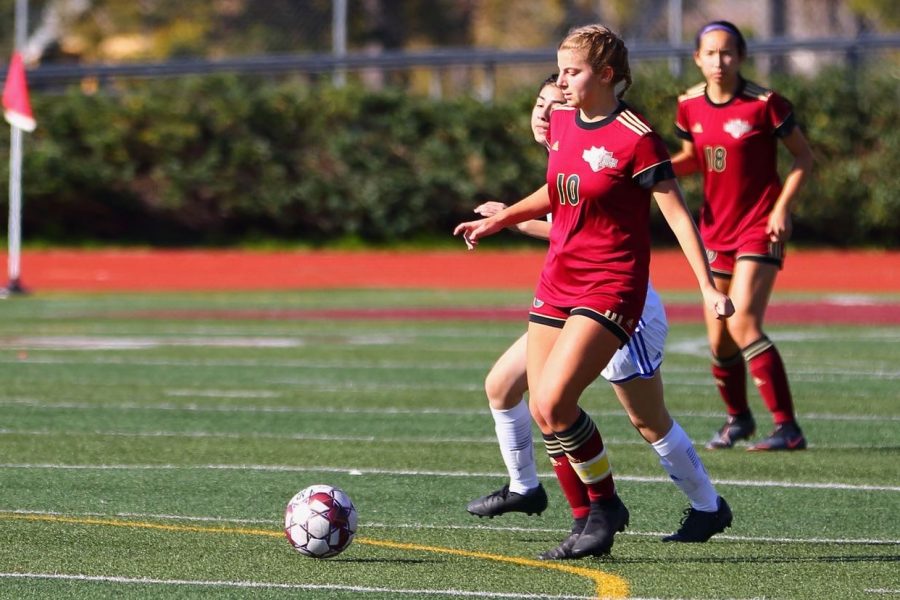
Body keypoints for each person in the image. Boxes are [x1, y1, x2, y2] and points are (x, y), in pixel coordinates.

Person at [454, 24, 733, 559]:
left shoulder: (636, 136)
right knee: (543, 409)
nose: (560, 83)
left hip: (612, 282)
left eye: (571, 72)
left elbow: (676, 217)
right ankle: (589, 517)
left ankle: (609, 508)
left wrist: (707, 287)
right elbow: (559, 189)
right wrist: (505, 218)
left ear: (606, 76)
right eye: (559, 70)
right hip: (559, 277)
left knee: (562, 401)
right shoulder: (562, 118)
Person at [671, 21, 813, 451]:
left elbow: (804, 156)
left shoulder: (764, 103)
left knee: (744, 321)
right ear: (697, 58)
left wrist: (782, 208)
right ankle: (739, 420)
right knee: (719, 338)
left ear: (742, 56)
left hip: (759, 227)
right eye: (710, 53)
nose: (719, 61)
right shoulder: (688, 105)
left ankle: (788, 428)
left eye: (728, 52)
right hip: (716, 231)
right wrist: (646, 169)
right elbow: (693, 159)